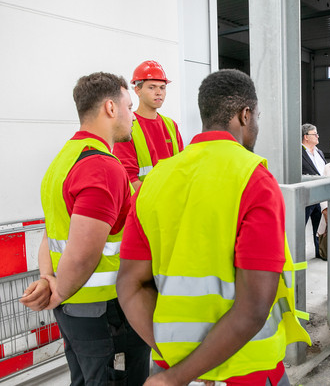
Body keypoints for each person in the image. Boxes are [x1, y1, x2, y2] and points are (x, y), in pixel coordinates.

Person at [116, 69, 310, 385]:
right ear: (245, 115)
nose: (256, 125)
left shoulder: (155, 181)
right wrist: (180, 376)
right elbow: (254, 308)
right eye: (256, 116)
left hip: (170, 366)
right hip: (245, 370)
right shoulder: (255, 179)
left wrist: (177, 364)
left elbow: (130, 284)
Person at [20, 72, 150, 385]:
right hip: (107, 313)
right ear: (110, 108)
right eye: (129, 107)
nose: (134, 116)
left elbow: (52, 233)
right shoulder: (101, 166)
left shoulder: (64, 159)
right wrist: (58, 291)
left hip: (77, 311)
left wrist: (49, 281)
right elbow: (81, 254)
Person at [113, 60, 184, 190]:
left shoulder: (171, 125)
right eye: (151, 87)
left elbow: (182, 168)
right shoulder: (126, 126)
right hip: (142, 205)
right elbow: (129, 178)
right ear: (137, 90)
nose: (159, 92)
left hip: (172, 202)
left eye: (162, 87)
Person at [302, 123, 326, 259]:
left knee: (319, 226)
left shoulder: (319, 152)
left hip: (320, 196)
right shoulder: (297, 152)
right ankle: (297, 253)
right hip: (306, 196)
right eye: (314, 134)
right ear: (306, 137)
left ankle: (320, 251)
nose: (317, 136)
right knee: (300, 226)